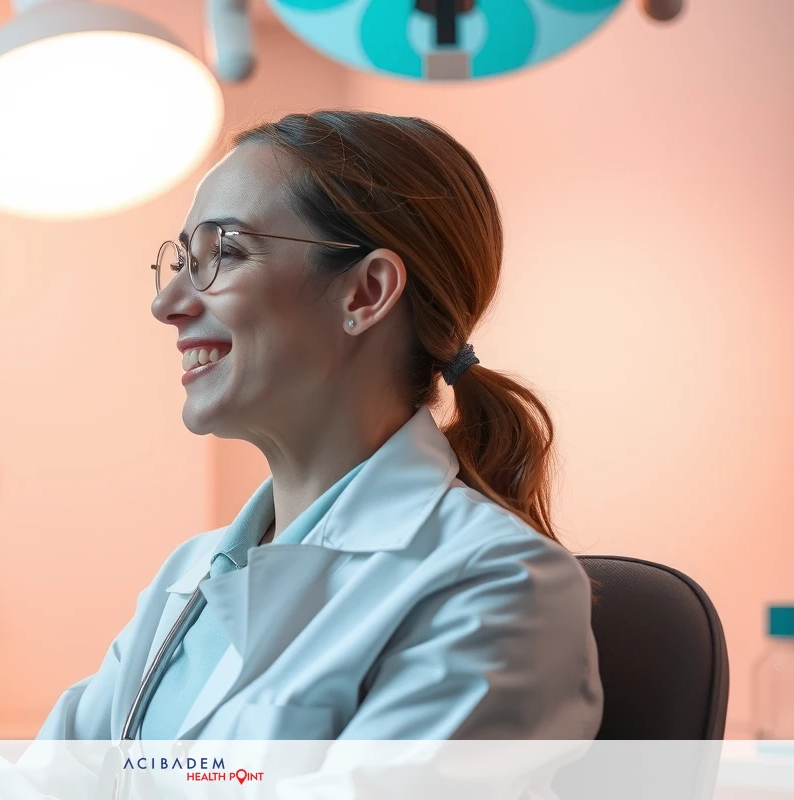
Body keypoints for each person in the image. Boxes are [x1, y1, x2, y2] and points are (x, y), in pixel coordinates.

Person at [39, 110, 603, 741]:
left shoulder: (496, 590)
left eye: (222, 254)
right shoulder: (193, 574)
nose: (166, 304)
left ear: (365, 293)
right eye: (181, 261)